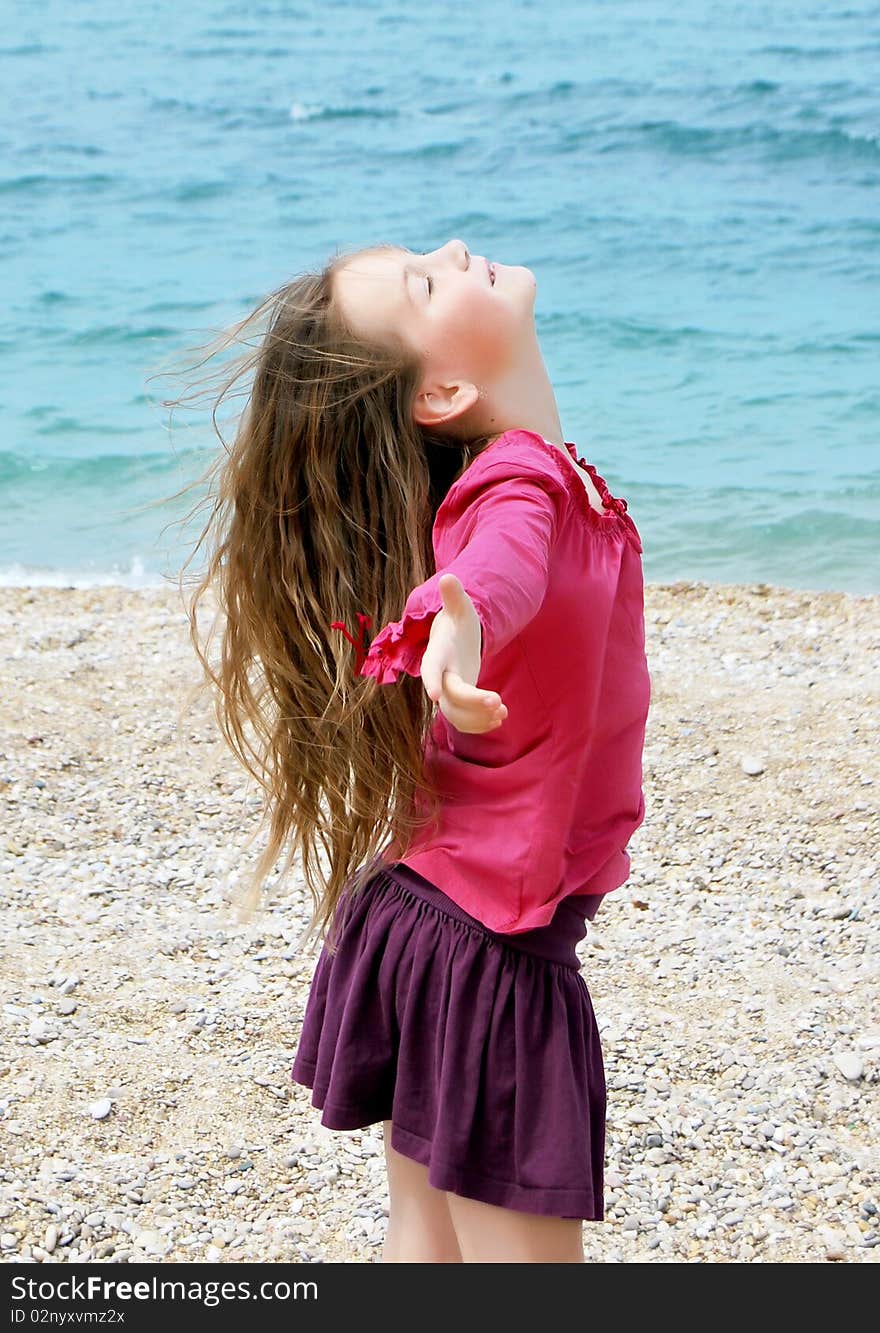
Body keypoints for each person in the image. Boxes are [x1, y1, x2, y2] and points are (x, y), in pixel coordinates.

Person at [172, 237, 651, 1263]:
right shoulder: (518, 486)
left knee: (426, 1244)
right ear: (441, 388)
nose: (451, 250)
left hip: (427, 926)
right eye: (423, 283)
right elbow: (497, 569)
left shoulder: (522, 474)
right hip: (483, 949)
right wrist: (458, 618)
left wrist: (460, 613)